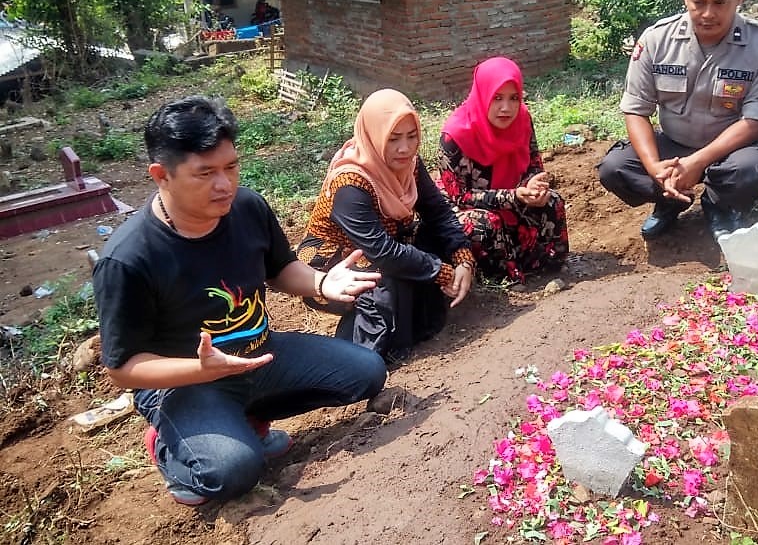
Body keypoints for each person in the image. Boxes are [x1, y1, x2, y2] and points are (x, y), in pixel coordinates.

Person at [93, 96, 387, 507]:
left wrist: (321, 282)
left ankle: (243, 418)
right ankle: (170, 445)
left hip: (259, 354)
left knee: (368, 372)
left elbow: (280, 270)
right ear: (162, 176)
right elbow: (123, 369)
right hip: (185, 383)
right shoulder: (129, 259)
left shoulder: (247, 208)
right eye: (206, 173)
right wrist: (200, 369)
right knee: (234, 471)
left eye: (231, 167)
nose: (224, 184)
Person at [597, 0, 758, 242]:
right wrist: (655, 168)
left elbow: (757, 121)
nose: (708, 14)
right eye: (698, 2)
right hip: (674, 144)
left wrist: (697, 163)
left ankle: (719, 204)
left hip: (731, 152)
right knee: (615, 167)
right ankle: (670, 199)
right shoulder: (656, 39)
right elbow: (636, 110)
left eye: (720, 2)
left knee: (750, 168)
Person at [297, 88, 475, 361]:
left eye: (412, 136)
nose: (404, 148)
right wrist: (442, 272)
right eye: (393, 139)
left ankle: (412, 318)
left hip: (385, 248)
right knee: (383, 282)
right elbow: (382, 252)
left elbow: (438, 212)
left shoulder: (408, 164)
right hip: (331, 267)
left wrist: (463, 260)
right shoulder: (350, 183)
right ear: (374, 136)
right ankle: (353, 356)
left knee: (441, 240)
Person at [437, 56, 569, 284]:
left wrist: (533, 186)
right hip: (466, 207)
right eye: (497, 98)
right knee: (482, 223)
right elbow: (461, 196)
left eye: (514, 98)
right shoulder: (455, 136)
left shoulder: (522, 120)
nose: (506, 108)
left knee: (552, 202)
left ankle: (542, 265)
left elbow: (534, 165)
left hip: (514, 197)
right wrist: (513, 196)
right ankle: (499, 277)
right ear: (483, 94)